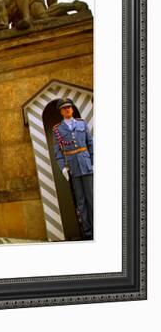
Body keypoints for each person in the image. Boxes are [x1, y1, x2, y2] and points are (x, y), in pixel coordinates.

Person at [52, 97, 94, 240]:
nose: (67, 109)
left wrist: (93, 162)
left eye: (69, 107)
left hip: (87, 165)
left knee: (92, 198)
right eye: (64, 108)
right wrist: (63, 168)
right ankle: (88, 232)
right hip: (73, 168)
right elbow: (58, 151)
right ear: (61, 112)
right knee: (81, 201)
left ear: (73, 108)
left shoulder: (82, 123)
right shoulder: (57, 129)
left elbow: (90, 144)